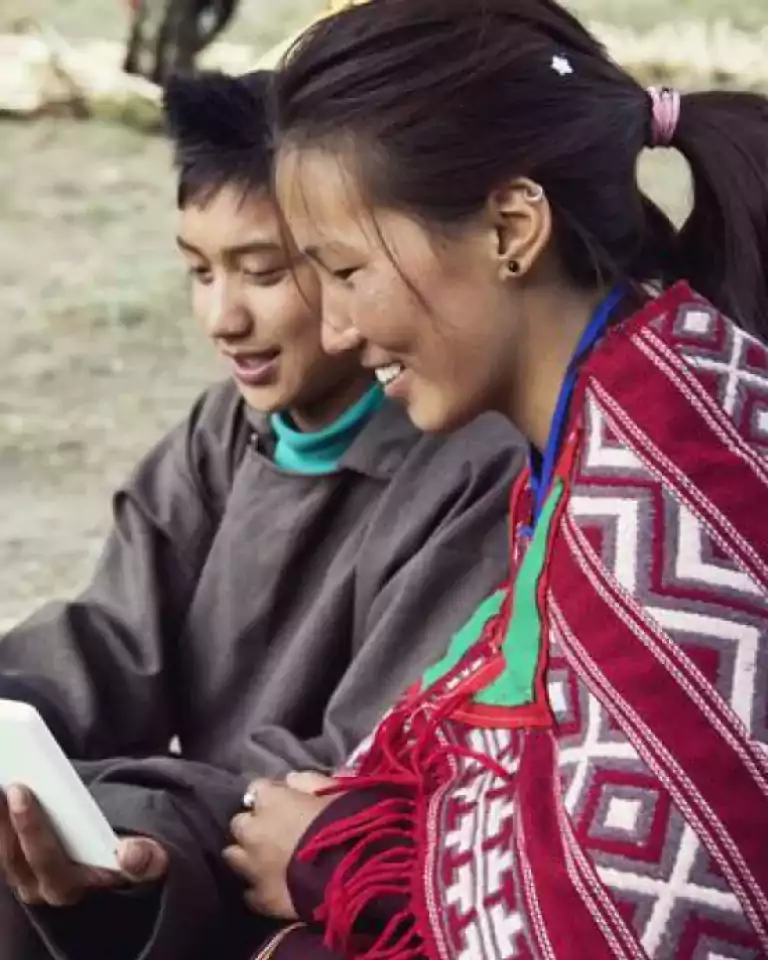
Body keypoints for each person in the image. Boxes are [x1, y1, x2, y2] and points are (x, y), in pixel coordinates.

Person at [219, 0, 768, 957]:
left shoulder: (672, 478)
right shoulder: (621, 425)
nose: (338, 331)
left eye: (346, 270)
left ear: (513, 227)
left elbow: (631, 931)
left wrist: (334, 861)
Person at [0, 69, 524, 960]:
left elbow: (356, 765)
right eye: (198, 271)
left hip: (307, 871)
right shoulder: (222, 432)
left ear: (354, 257)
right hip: (190, 828)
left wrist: (131, 807)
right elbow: (112, 644)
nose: (223, 316)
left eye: (263, 272)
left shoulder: (469, 464)